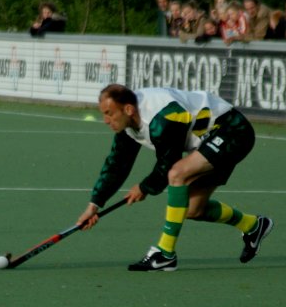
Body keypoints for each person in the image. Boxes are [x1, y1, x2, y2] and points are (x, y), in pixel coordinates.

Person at [77, 84, 274, 272]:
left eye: (108, 113)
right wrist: (94, 205)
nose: (105, 120)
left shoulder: (163, 117)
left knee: (177, 173)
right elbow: (116, 165)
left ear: (127, 109)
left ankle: (165, 254)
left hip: (233, 132)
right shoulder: (128, 123)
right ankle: (253, 225)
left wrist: (144, 188)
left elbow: (167, 165)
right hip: (206, 143)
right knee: (192, 210)